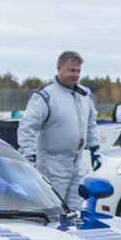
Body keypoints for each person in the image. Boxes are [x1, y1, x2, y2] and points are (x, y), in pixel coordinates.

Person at [18, 50, 101, 207]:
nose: (76, 75)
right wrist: (28, 156)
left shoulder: (83, 95)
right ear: (59, 68)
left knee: (75, 210)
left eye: (78, 71)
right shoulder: (46, 96)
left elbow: (90, 123)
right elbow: (27, 127)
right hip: (53, 163)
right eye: (71, 70)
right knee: (54, 209)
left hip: (77, 162)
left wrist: (95, 148)